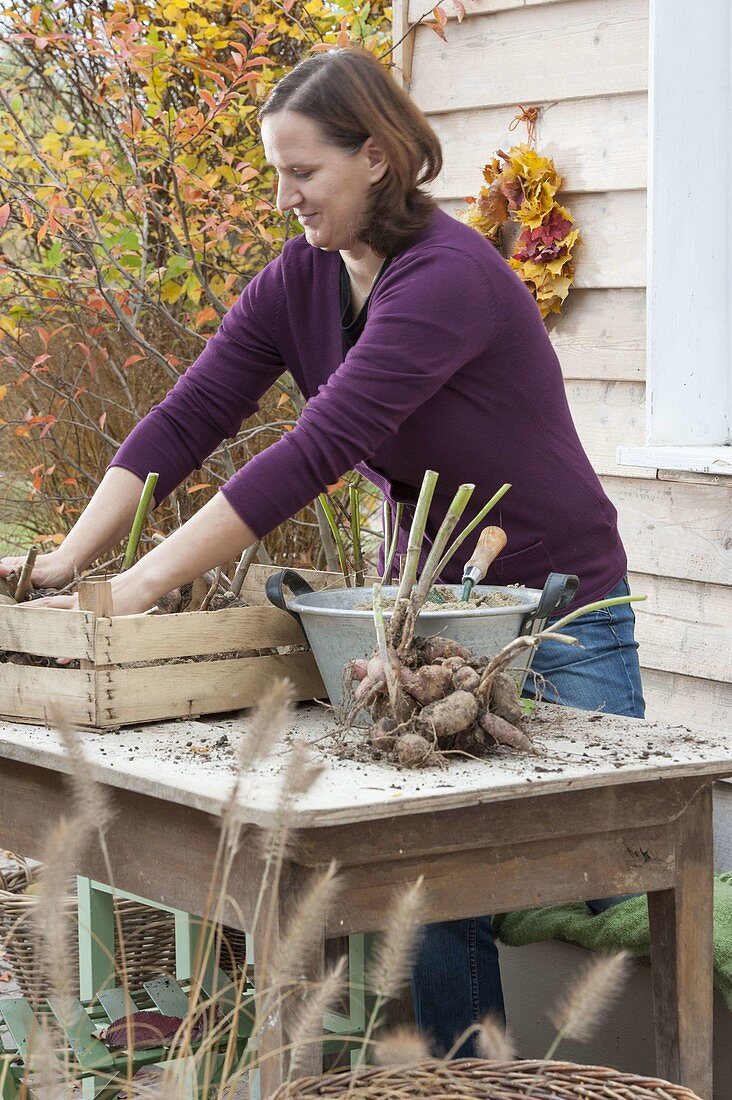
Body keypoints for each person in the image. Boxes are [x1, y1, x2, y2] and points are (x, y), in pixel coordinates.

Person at [0, 48, 644, 1055]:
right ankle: (465, 1084)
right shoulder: (300, 277)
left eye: (303, 173)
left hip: (560, 622)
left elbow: (316, 450)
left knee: (562, 884)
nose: (283, 196)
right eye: (274, 173)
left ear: (378, 158)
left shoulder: (448, 276)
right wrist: (67, 565)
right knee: (429, 886)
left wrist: (135, 589)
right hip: (438, 622)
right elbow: (189, 416)